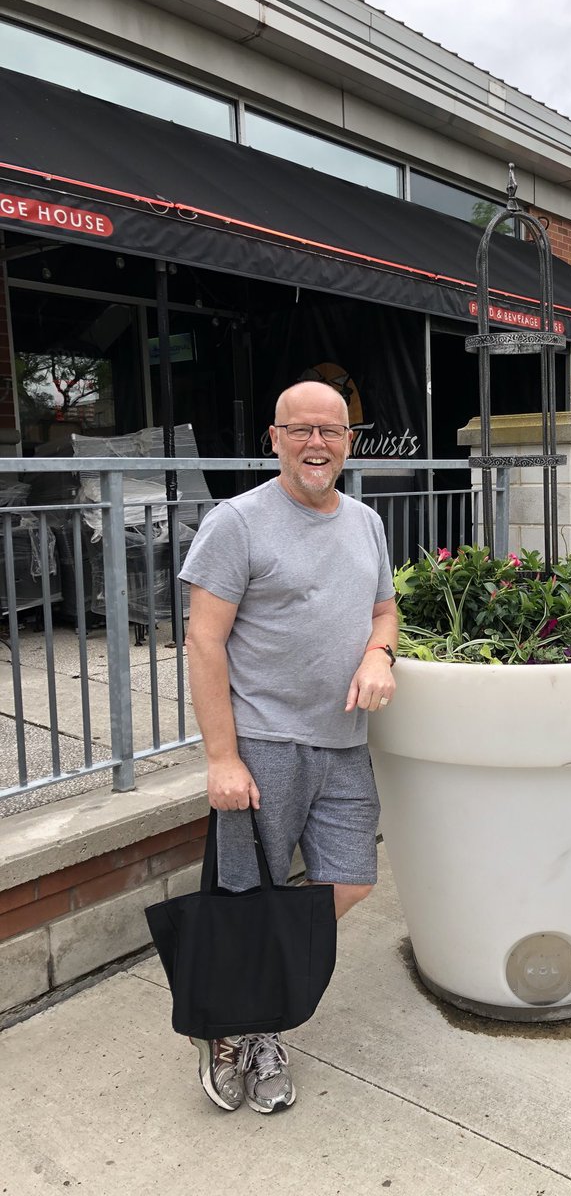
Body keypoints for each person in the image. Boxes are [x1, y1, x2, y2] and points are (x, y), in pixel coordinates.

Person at [179, 380, 397, 1114]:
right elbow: (203, 642)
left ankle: (252, 1004)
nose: (316, 443)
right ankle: (240, 1030)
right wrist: (221, 758)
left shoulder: (366, 522)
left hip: (343, 742)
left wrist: (380, 654)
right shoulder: (237, 523)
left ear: (349, 442)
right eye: (300, 430)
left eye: (330, 430)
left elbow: (385, 610)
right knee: (247, 898)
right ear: (274, 438)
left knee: (351, 880)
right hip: (264, 741)